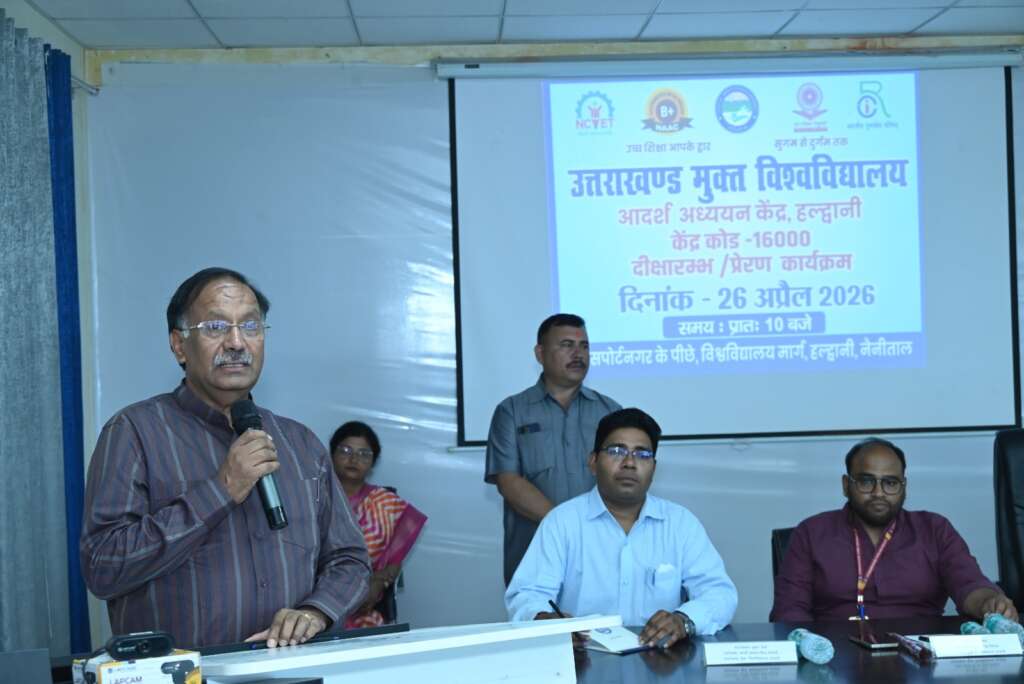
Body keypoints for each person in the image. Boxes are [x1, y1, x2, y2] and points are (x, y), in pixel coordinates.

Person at [80, 267, 371, 648]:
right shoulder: (134, 432)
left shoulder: (301, 443)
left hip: (291, 668)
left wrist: (315, 612)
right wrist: (221, 490)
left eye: (250, 326)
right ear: (179, 345)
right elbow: (103, 567)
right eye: (216, 327)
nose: (236, 342)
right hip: (187, 671)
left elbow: (350, 559)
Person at [506, 408, 738, 648]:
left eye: (642, 454)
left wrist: (684, 620)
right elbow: (527, 594)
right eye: (616, 451)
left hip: (661, 660)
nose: (629, 463)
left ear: (654, 468)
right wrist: (544, 618)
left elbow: (719, 593)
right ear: (593, 462)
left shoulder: (681, 524)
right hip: (584, 658)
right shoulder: (562, 522)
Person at [771, 437, 1018, 622]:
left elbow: (969, 584)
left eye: (890, 483)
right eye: (866, 481)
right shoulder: (811, 533)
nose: (878, 492)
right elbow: (789, 611)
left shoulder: (934, 529)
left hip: (920, 657)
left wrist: (990, 602)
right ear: (846, 485)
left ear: (904, 486)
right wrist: (811, 651)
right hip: (835, 657)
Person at [485, 313, 621, 585]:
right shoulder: (511, 411)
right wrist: (567, 528)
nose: (578, 354)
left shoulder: (610, 412)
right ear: (540, 354)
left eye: (584, 346)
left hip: (600, 556)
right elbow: (509, 481)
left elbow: (622, 480)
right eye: (566, 345)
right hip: (534, 555)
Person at [329, 420, 427, 628]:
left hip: (366, 602)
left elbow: (394, 559)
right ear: (331, 454)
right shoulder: (315, 498)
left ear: (373, 461)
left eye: (364, 454)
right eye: (345, 451)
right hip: (319, 597)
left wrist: (379, 582)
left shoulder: (385, 503)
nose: (353, 459)